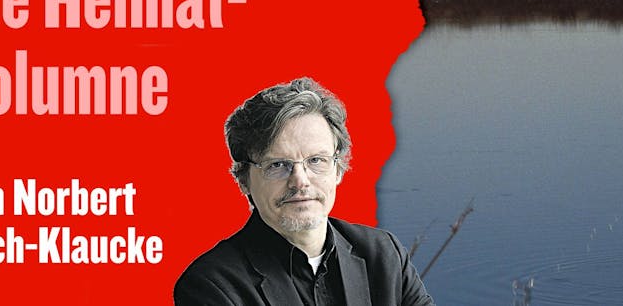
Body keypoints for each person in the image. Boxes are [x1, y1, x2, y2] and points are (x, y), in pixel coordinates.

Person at [175, 78, 433, 306]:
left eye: (316, 160)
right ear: (243, 180)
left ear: (338, 169)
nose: (300, 181)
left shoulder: (384, 255)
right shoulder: (212, 285)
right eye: (278, 165)